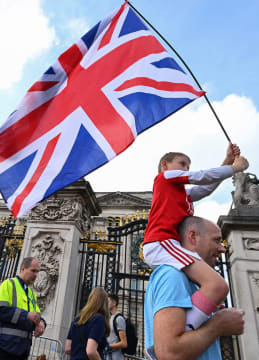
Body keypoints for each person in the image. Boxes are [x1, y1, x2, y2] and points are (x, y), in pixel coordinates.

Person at [142, 144, 248, 331]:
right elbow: (200, 177)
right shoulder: (164, 177)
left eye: (188, 166)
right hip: (162, 243)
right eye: (182, 164)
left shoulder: (182, 194)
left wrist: (227, 161)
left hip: (170, 245)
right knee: (216, 284)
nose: (186, 169)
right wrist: (235, 168)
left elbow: (206, 188)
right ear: (165, 165)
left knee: (204, 285)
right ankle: (177, 335)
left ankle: (195, 318)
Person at [144, 216, 245, 360]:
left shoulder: (189, 281)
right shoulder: (172, 275)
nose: (222, 248)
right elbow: (169, 354)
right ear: (193, 237)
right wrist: (218, 325)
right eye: (216, 240)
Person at [0, 257, 46, 360]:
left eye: (37, 272)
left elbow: (38, 315)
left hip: (21, 350)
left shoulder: (31, 293)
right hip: (2, 347)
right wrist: (26, 315)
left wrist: (41, 323)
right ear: (23, 269)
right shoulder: (8, 284)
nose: (36, 275)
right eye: (33, 271)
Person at [65, 287, 110, 360]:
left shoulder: (77, 319)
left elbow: (67, 348)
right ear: (104, 304)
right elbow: (90, 351)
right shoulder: (99, 319)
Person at [106, 293, 127, 360]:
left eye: (108, 302)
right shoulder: (111, 317)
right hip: (109, 356)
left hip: (116, 357)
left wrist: (107, 346)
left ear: (114, 303)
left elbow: (124, 343)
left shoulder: (119, 319)